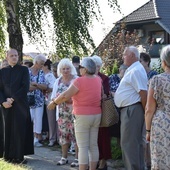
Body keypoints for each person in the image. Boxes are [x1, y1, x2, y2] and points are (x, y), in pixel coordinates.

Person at [48, 57, 102, 170]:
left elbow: (65, 95)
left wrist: (53, 102)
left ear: (85, 69)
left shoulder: (79, 81)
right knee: (93, 145)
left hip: (82, 115)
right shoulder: (98, 79)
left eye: (81, 67)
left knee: (82, 147)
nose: (79, 69)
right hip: (96, 114)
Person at [114, 46, 148, 170]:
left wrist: (145, 113)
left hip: (132, 110)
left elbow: (143, 93)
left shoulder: (136, 70)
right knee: (134, 143)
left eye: (125, 54)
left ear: (132, 56)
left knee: (129, 144)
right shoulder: (134, 69)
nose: (123, 56)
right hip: (131, 110)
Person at [0, 49, 34, 163]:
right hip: (6, 106)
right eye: (11, 55)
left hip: (20, 105)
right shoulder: (2, 71)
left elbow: (25, 87)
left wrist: (12, 99)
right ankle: (8, 155)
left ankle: (19, 156)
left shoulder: (24, 70)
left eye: (16, 55)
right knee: (7, 129)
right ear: (7, 57)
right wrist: (3, 101)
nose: (14, 57)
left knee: (19, 130)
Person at [48, 58, 78, 167]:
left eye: (68, 68)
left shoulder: (76, 80)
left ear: (72, 69)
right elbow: (53, 97)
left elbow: (78, 96)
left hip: (74, 112)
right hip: (61, 113)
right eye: (63, 69)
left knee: (76, 136)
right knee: (63, 136)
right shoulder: (58, 81)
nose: (65, 71)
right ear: (60, 70)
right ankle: (64, 157)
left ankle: (77, 159)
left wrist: (65, 98)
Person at [145, 45, 170, 170]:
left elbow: (149, 109)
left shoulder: (157, 80)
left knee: (160, 159)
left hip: (161, 124)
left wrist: (148, 130)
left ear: (164, 62)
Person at [91, 55, 111, 170]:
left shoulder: (104, 78)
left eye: (96, 66)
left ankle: (103, 161)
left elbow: (106, 94)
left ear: (99, 66)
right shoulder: (87, 78)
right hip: (90, 111)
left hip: (102, 111)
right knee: (93, 138)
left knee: (103, 137)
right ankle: (95, 160)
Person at [140, 52, 158, 169]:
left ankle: (150, 162)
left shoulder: (153, 75)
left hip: (150, 107)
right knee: (143, 137)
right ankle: (145, 162)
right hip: (141, 106)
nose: (139, 64)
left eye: (141, 61)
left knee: (148, 135)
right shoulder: (139, 73)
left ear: (146, 62)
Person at [29, 54, 47, 147]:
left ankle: (36, 139)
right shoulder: (27, 72)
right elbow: (27, 87)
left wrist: (35, 84)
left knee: (38, 120)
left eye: (43, 64)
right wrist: (38, 86)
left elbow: (45, 86)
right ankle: (28, 138)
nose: (42, 65)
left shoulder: (41, 73)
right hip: (29, 100)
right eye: (41, 63)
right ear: (36, 62)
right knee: (29, 119)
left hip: (39, 100)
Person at [109, 64, 128, 144]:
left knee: (122, 130)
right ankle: (113, 149)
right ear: (120, 70)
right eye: (125, 71)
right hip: (112, 107)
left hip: (123, 107)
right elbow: (107, 89)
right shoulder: (112, 78)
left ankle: (120, 149)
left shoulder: (127, 80)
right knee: (112, 129)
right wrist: (112, 93)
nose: (126, 73)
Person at [42, 59, 57, 146]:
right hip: (48, 100)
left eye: (43, 66)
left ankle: (53, 139)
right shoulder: (45, 75)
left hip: (50, 100)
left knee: (52, 121)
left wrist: (45, 89)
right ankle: (53, 138)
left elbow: (53, 87)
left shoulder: (50, 76)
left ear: (46, 66)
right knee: (50, 120)